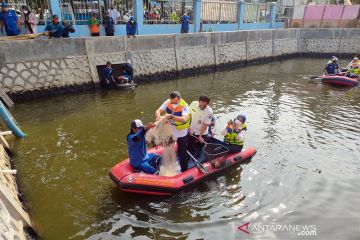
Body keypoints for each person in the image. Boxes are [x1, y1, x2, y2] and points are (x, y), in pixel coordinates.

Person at [155, 91, 190, 172]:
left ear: (179, 99)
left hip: (181, 132)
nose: (173, 103)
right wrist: (158, 116)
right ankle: (169, 166)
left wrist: (171, 116)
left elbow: (183, 119)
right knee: (168, 148)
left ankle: (184, 170)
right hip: (171, 130)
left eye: (175, 102)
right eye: (172, 102)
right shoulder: (168, 102)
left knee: (182, 152)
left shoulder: (184, 106)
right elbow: (158, 111)